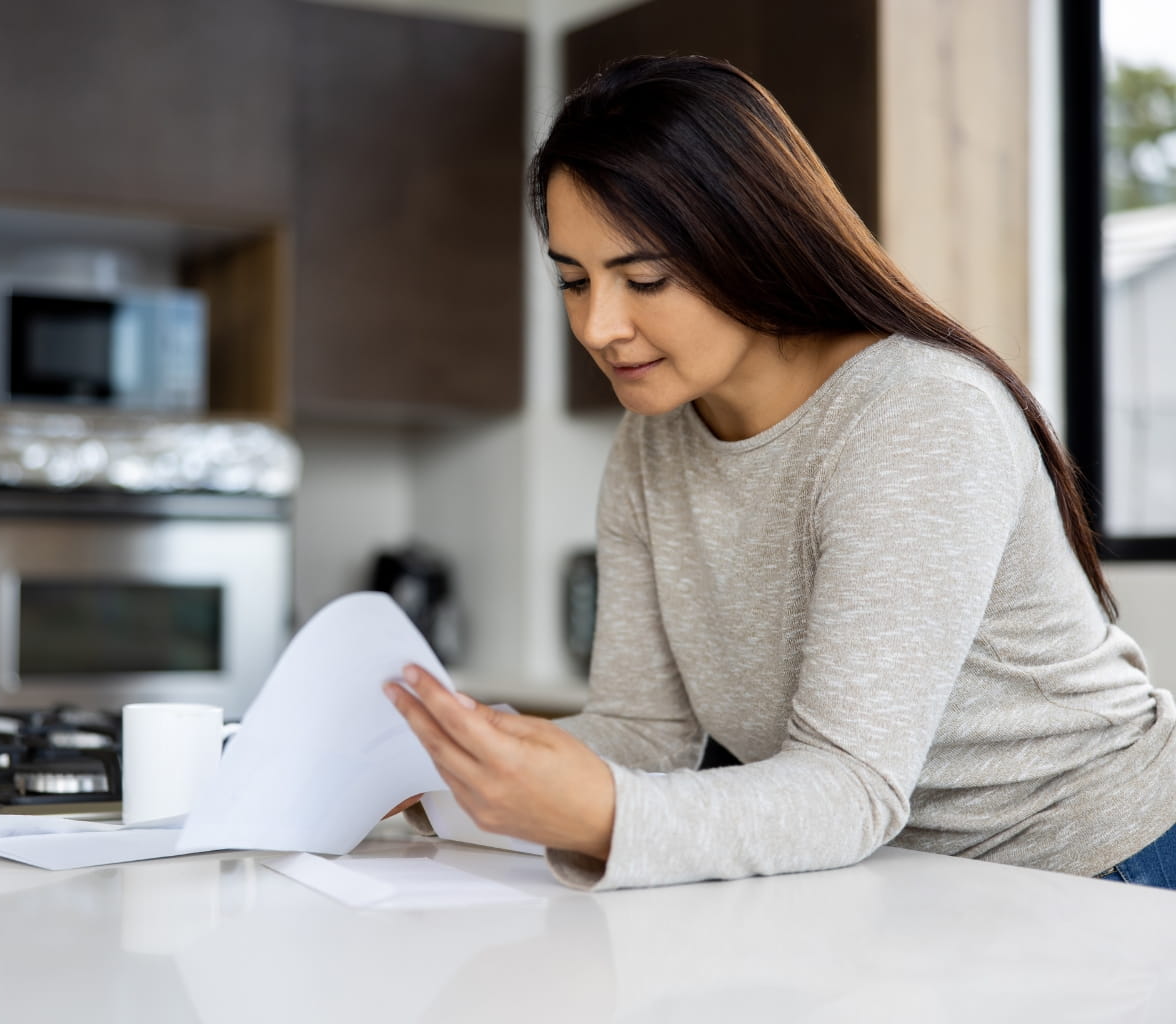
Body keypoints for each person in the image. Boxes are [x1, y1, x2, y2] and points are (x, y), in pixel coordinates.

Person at [382, 54, 1176, 892]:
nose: (600, 326)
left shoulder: (917, 413)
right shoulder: (652, 442)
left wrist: (606, 815)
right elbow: (645, 731)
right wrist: (443, 767)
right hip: (911, 875)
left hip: (1095, 863)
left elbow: (849, 784)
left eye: (644, 278)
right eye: (574, 282)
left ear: (753, 242)